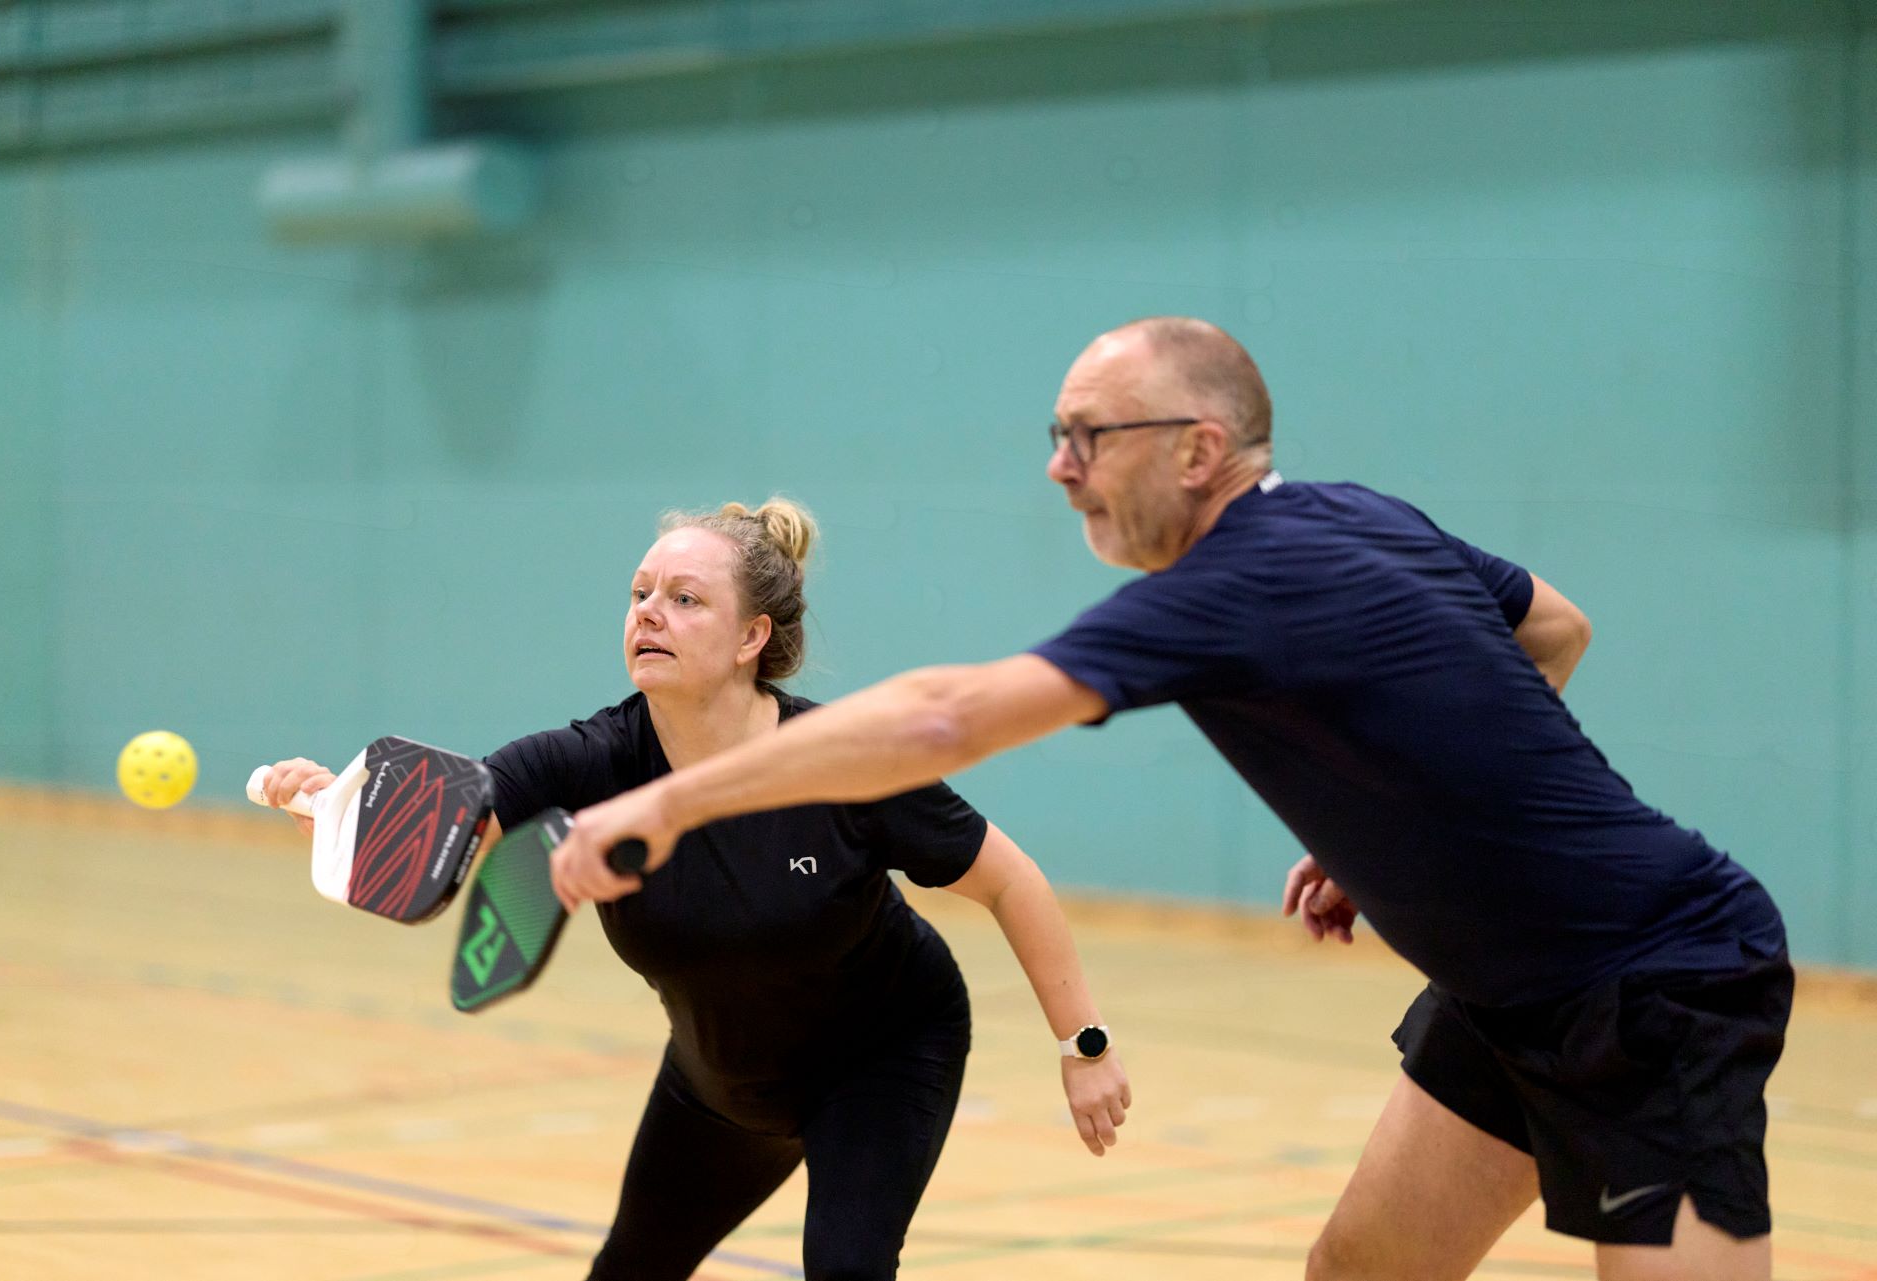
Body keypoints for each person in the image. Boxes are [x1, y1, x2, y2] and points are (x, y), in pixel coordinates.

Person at [551, 320, 1792, 1281]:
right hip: (1505, 998)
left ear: (1199, 449)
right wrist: (1409, 836)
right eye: (1057, 433)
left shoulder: (1237, 582)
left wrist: (674, 804)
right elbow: (1556, 629)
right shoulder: (1359, 517)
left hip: (1654, 982)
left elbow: (940, 718)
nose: (1059, 466)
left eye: (1091, 437)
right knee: (1358, 1272)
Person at [257, 498, 1131, 1281]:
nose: (649, 612)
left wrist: (1082, 1045)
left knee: (847, 1267)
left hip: (882, 1055)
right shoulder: (590, 762)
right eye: (640, 593)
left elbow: (1011, 881)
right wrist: (337, 813)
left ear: (752, 636)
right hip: (722, 1078)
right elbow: (451, 830)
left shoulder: (850, 763)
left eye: (684, 598)